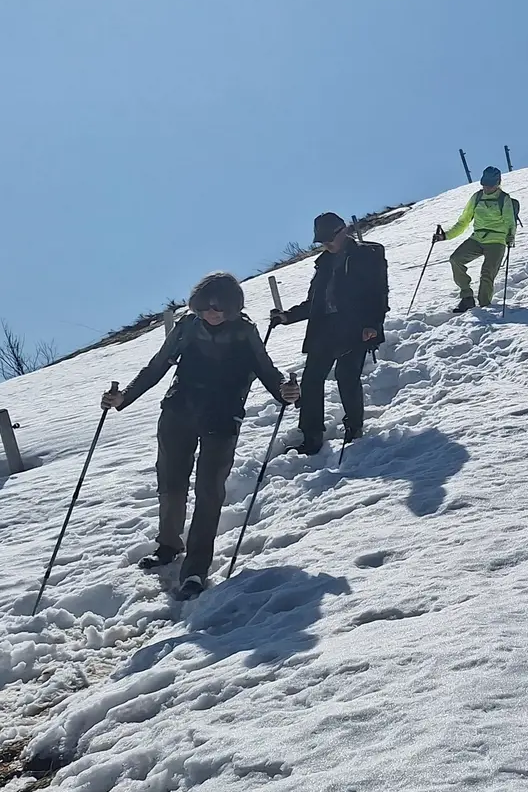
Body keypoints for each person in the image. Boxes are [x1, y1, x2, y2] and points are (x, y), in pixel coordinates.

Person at [104, 271, 298, 598]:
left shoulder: (244, 332)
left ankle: (195, 569)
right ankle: (168, 546)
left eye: (220, 308)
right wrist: (125, 396)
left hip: (222, 417)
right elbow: (157, 366)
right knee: (171, 482)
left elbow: (267, 371)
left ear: (233, 308)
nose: (212, 313)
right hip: (179, 411)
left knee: (209, 491)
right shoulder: (187, 327)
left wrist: (286, 392)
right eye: (206, 307)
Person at [271, 212, 389, 456]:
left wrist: (373, 324)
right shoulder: (323, 263)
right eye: (322, 240)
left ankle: (354, 427)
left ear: (342, 230)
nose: (326, 243)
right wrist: (287, 316)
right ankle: (311, 436)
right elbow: (314, 302)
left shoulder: (368, 255)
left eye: (329, 238)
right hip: (324, 328)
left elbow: (378, 293)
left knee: (347, 376)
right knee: (312, 381)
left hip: (356, 326)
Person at [436, 167, 519, 313]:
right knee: (456, 259)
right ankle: (467, 297)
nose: (486, 187)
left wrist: (510, 237)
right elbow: (463, 221)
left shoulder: (504, 199)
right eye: (484, 184)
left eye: (490, 184)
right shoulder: (477, 197)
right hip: (477, 238)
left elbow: (509, 221)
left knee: (487, 273)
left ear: (498, 183)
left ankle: (484, 306)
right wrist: (445, 236)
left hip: (497, 240)